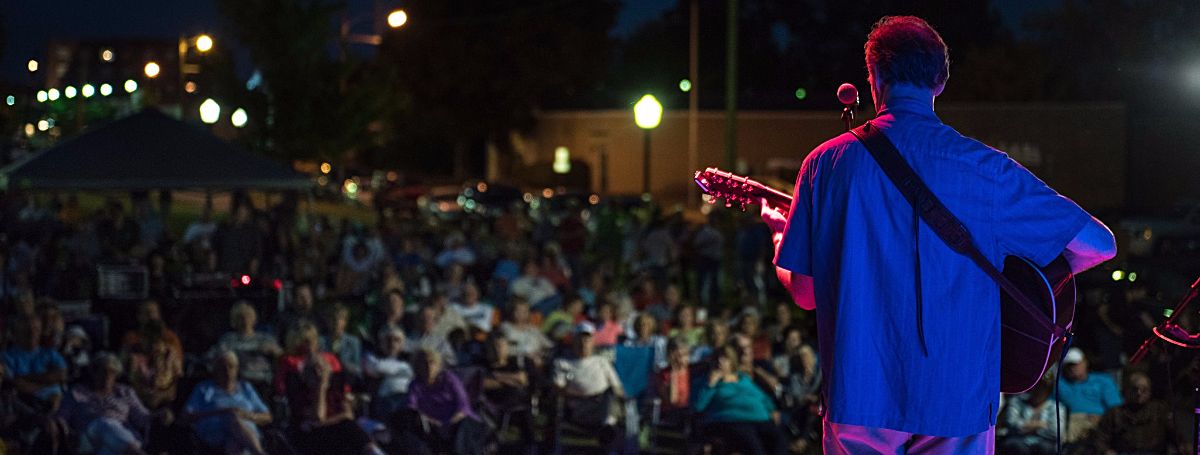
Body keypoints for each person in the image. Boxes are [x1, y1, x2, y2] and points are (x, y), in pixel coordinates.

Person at [761, 15, 1117, 452]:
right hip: (959, 394)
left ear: (873, 77)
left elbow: (804, 293)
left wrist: (782, 237)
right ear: (941, 80)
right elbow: (1101, 244)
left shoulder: (825, 165)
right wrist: (1027, 284)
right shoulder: (986, 168)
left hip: (860, 395)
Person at [274, 322, 384, 455]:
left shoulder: (334, 387)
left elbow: (347, 415)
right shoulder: (300, 389)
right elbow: (318, 416)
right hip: (313, 437)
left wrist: (328, 420)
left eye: (322, 370)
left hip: (334, 429)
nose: (319, 374)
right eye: (314, 371)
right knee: (347, 430)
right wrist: (321, 387)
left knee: (353, 428)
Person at [58, 353, 165, 455]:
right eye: (103, 371)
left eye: (112, 372)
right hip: (88, 439)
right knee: (105, 423)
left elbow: (142, 418)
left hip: (123, 437)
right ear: (93, 372)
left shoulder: (125, 392)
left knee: (108, 449)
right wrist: (68, 433)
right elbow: (61, 418)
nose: (107, 375)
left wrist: (161, 414)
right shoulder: (77, 392)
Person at [691, 345, 787, 455]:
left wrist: (772, 409)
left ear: (732, 361)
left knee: (778, 438)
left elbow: (761, 396)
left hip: (759, 418)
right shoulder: (704, 381)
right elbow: (698, 406)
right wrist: (710, 384)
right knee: (753, 443)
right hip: (731, 420)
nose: (720, 361)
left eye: (725, 358)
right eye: (717, 357)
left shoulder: (743, 378)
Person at [181, 350, 272, 455]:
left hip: (247, 433)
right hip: (214, 431)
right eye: (222, 367)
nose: (227, 371)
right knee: (231, 417)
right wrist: (222, 412)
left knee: (233, 444)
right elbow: (185, 416)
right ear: (215, 369)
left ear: (237, 369)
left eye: (231, 367)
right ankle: (259, 453)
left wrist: (247, 415)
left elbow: (267, 416)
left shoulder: (245, 388)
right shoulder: (204, 388)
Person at [405, 348, 487, 455]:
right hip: (432, 425)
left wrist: (449, 423)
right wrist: (430, 421)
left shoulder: (449, 379)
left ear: (438, 365)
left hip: (458, 420)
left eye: (432, 362)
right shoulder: (415, 385)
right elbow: (412, 408)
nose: (428, 366)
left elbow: (463, 406)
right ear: (417, 366)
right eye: (423, 362)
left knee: (463, 430)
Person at [213, 301, 283, 392]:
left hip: (263, 381)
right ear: (235, 320)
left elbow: (281, 355)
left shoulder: (265, 338)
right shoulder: (228, 339)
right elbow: (220, 356)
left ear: (254, 318)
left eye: (248, 316)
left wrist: (273, 351)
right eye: (241, 318)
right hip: (239, 383)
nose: (245, 320)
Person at [1057, 347, 1122, 443]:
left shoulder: (1103, 380)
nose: (1072, 368)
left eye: (1076, 364)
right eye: (1069, 365)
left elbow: (1116, 406)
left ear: (1085, 362)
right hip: (1073, 423)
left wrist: (1103, 419)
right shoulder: (1060, 384)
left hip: (1100, 421)